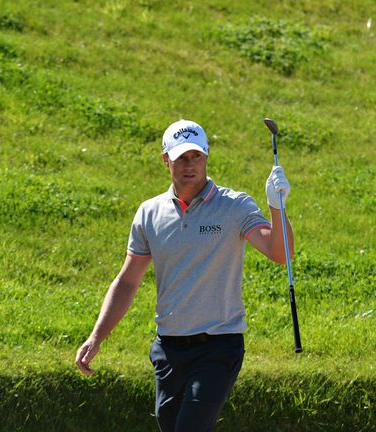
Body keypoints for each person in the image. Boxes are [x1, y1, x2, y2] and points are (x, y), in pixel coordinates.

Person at [75, 119, 294, 432]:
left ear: (206, 157)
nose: (189, 165)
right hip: (168, 350)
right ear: (166, 160)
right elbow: (127, 281)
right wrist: (96, 337)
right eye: (181, 158)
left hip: (219, 346)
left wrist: (277, 207)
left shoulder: (234, 206)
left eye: (196, 157)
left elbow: (280, 252)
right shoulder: (149, 213)